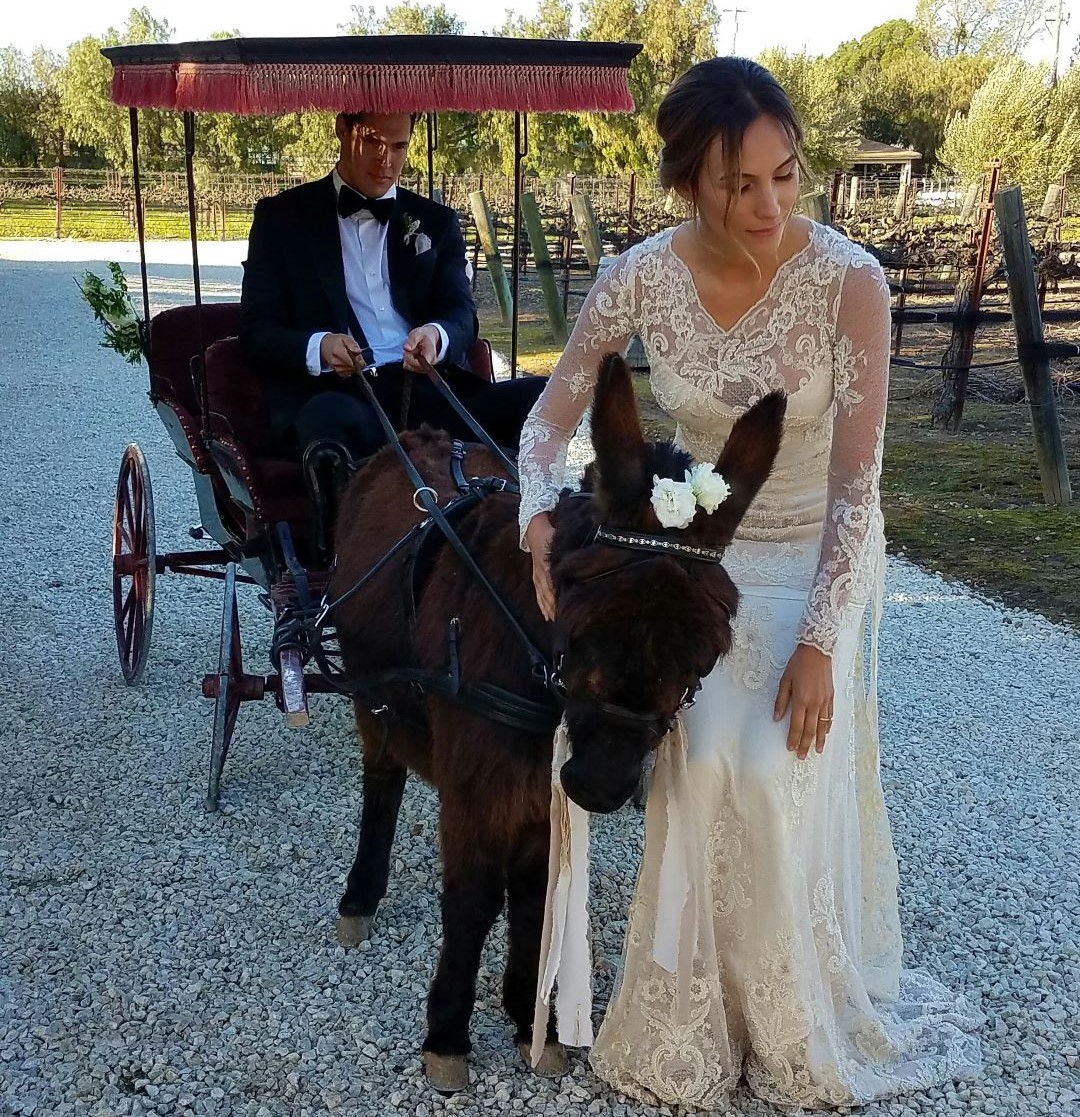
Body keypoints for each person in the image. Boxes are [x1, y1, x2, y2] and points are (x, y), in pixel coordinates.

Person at [519, 59, 982, 1109]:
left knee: (765, 759)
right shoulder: (637, 274)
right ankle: (687, 1025)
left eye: (784, 175)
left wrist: (822, 638)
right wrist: (538, 522)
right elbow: (549, 421)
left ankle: (788, 1018)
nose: (768, 206)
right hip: (696, 553)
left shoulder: (851, 280)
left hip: (818, 542)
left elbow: (860, 489)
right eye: (737, 184)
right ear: (689, 181)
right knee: (692, 751)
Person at [239, 110, 545, 525]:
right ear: (342, 130)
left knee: (545, 397)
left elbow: (461, 314)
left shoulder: (435, 222)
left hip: (427, 389)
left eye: (398, 146)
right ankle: (339, 564)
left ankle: (516, 534)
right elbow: (257, 330)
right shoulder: (282, 219)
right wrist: (321, 347)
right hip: (341, 393)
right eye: (372, 142)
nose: (386, 160)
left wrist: (436, 337)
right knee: (326, 419)